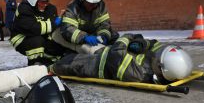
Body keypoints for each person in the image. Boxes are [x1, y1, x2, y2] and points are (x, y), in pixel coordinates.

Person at [49, 34, 193, 84]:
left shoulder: (139, 74)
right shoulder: (161, 59)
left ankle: (47, 67)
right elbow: (155, 44)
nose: (157, 53)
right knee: (80, 43)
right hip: (103, 51)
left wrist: (129, 37)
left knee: (66, 63)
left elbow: (116, 53)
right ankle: (54, 37)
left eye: (159, 56)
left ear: (162, 68)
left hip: (96, 66)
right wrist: (143, 43)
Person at [52, 0, 119, 55]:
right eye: (89, 4)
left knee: (114, 35)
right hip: (80, 37)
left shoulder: (100, 6)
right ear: (82, 0)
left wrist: (103, 36)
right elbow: (68, 29)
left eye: (95, 4)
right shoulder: (73, 8)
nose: (92, 7)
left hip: (93, 35)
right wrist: (84, 37)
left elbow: (105, 25)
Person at [10, 0, 65, 66]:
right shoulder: (24, 8)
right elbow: (32, 28)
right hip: (22, 38)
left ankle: (50, 63)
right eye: (43, 1)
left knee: (55, 46)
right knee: (37, 41)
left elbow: (52, 29)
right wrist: (54, 23)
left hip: (41, 36)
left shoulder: (51, 9)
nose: (46, 4)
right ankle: (34, 64)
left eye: (48, 0)